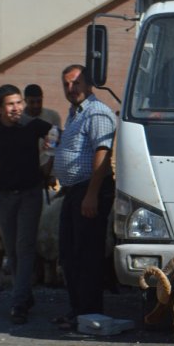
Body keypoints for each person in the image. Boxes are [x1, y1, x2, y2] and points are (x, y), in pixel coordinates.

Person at [0, 84, 53, 324]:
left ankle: (18, 303)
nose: (16, 108)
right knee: (12, 248)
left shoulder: (32, 125)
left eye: (19, 103)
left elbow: (58, 135)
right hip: (4, 197)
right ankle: (24, 294)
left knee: (24, 246)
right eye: (10, 104)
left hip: (30, 194)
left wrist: (49, 161)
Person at [50, 65, 116, 330]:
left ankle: (89, 313)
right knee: (69, 254)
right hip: (74, 190)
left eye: (76, 83)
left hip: (91, 189)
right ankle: (77, 311)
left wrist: (91, 195)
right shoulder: (74, 113)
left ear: (89, 85)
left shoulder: (97, 112)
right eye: (66, 84)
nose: (71, 89)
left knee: (87, 254)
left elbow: (103, 153)